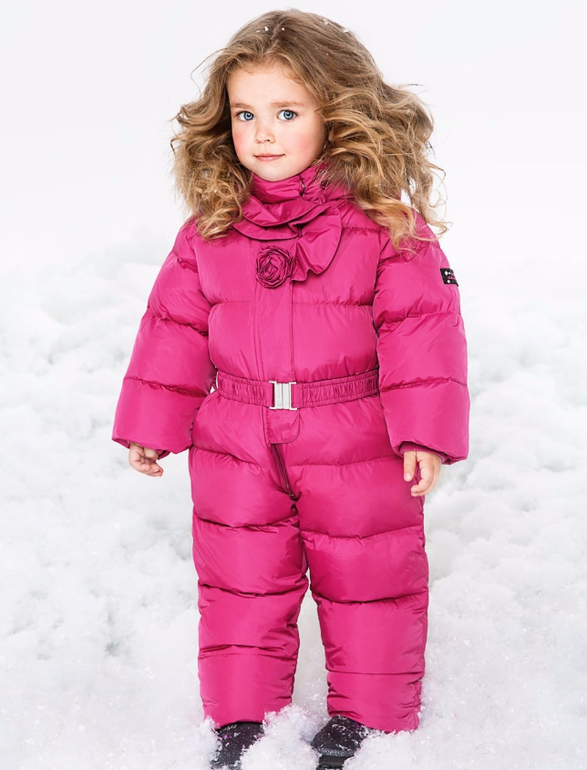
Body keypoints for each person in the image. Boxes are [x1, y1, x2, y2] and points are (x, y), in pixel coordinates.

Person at [111, 9, 469, 770]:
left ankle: (370, 721)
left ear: (336, 113)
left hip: (355, 433)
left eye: (285, 113)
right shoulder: (210, 229)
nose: (262, 134)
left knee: (369, 580)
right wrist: (152, 422)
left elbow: (421, 329)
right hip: (236, 436)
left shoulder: (386, 226)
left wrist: (423, 431)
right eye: (245, 114)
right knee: (239, 583)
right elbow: (173, 329)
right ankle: (244, 721)